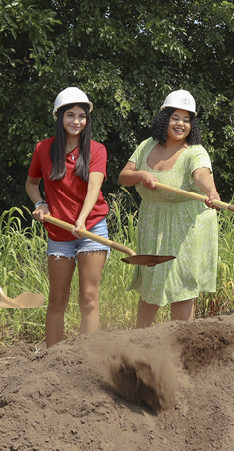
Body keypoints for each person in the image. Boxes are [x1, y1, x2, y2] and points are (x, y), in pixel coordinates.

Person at [118, 90, 221, 328]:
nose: (181, 124)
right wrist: (141, 174)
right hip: (153, 221)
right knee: (151, 279)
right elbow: (124, 176)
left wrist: (211, 192)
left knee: (181, 283)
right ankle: (140, 340)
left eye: (187, 120)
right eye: (176, 118)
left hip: (186, 225)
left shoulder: (195, 151)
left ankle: (180, 344)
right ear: (165, 119)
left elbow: (201, 175)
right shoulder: (146, 146)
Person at [25, 87, 109, 348]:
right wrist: (41, 203)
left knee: (89, 298)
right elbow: (31, 183)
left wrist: (82, 221)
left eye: (82, 116)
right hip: (59, 234)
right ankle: (51, 361)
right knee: (57, 299)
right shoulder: (43, 149)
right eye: (70, 115)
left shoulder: (97, 149)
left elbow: (94, 188)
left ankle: (89, 359)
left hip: (92, 229)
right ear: (59, 116)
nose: (76, 121)